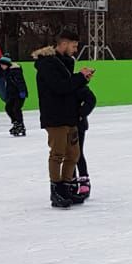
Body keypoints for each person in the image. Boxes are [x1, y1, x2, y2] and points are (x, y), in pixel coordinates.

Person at [34, 29, 95, 208]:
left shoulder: (65, 63)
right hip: (55, 117)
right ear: (64, 43)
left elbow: (69, 88)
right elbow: (60, 87)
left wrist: (81, 79)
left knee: (73, 154)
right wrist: (80, 77)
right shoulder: (48, 64)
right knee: (58, 154)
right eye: (74, 46)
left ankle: (66, 186)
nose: (75, 50)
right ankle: (56, 191)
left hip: (69, 116)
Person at [0, 56, 29, 136]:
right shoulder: (6, 71)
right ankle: (16, 123)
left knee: (16, 109)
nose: (1, 66)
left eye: (2, 65)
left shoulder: (15, 71)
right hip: (12, 94)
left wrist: (22, 91)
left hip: (19, 94)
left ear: (7, 64)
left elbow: (20, 82)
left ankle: (20, 125)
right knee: (8, 108)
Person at [75, 85, 97, 200]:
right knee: (63, 154)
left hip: (78, 125)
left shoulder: (77, 82)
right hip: (61, 123)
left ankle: (84, 178)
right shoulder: (56, 81)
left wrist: (81, 113)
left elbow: (91, 99)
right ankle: (69, 179)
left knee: (77, 152)